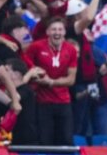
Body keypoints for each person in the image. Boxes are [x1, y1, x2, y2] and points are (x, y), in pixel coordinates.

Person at [23, 17, 77, 146]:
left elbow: (71, 79)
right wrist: (36, 75)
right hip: (43, 102)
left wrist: (51, 82)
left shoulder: (71, 50)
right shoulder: (36, 47)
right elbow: (26, 66)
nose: (57, 33)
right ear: (47, 32)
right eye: (53, 29)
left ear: (64, 32)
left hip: (64, 101)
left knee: (66, 140)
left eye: (60, 29)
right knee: (45, 140)